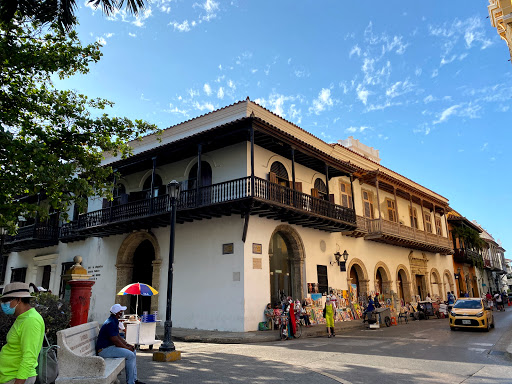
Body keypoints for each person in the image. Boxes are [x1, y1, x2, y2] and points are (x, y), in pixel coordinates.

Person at [0, 282, 45, 384]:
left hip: (16, 378)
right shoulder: (22, 317)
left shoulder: (31, 320)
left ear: (19, 300)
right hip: (9, 376)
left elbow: (29, 357)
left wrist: (19, 381)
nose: (3, 304)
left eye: (6, 300)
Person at [96, 304, 145, 384]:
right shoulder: (110, 323)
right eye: (120, 312)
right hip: (104, 350)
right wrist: (127, 348)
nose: (122, 313)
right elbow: (115, 340)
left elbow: (118, 336)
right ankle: (130, 382)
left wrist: (127, 344)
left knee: (133, 352)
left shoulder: (114, 320)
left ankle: (134, 379)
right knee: (130, 355)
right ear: (116, 313)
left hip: (109, 347)